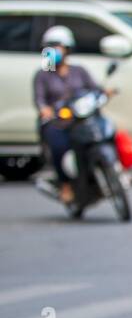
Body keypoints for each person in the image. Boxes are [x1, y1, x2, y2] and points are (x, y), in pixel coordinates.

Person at [34, 25, 109, 204]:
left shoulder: (79, 71)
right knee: (58, 145)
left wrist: (105, 93)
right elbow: (39, 100)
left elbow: (96, 89)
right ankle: (65, 185)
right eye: (49, 48)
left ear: (67, 48)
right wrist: (45, 109)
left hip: (80, 119)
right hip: (57, 122)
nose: (53, 51)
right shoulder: (43, 75)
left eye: (56, 46)